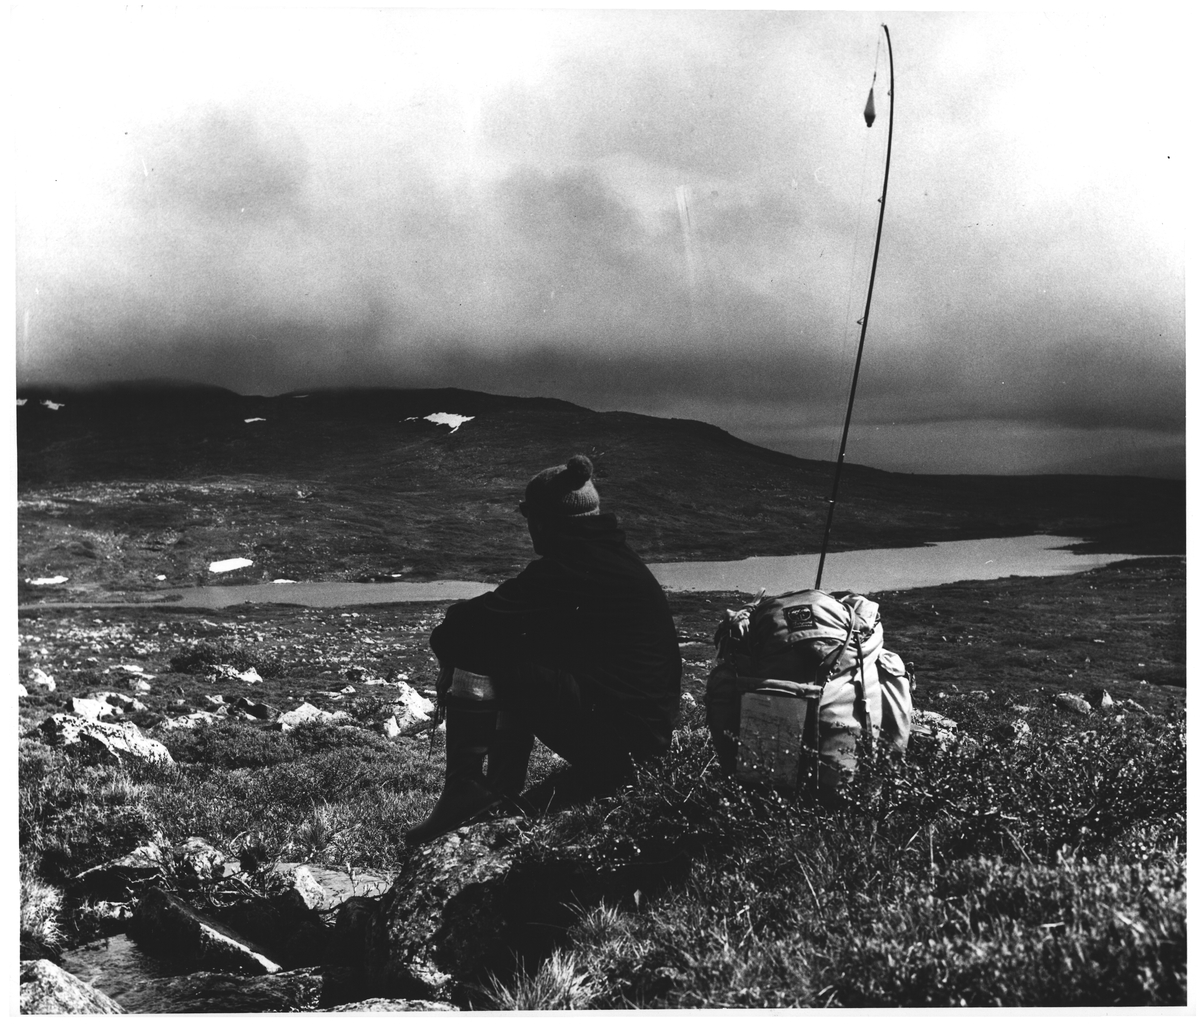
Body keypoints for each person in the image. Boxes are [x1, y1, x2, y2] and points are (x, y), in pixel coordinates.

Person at [404, 454, 682, 845]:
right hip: (641, 739)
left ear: (545, 520)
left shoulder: (568, 568)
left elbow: (463, 627)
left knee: (484, 650)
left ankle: (465, 789)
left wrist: (453, 658)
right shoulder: (609, 557)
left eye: (529, 518)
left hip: (618, 742)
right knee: (511, 648)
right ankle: (497, 793)